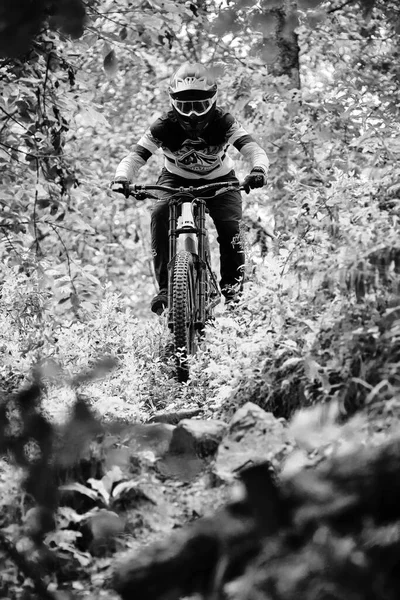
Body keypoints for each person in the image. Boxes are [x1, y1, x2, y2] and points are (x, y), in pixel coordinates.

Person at [112, 62, 269, 314]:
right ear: (174, 103)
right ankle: (165, 289)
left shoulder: (224, 122)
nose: (193, 114)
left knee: (231, 228)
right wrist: (122, 177)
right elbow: (136, 157)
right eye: (185, 106)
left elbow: (253, 149)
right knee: (159, 213)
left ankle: (233, 294)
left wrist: (258, 170)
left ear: (213, 101)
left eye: (199, 105)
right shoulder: (163, 125)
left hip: (220, 180)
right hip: (175, 180)